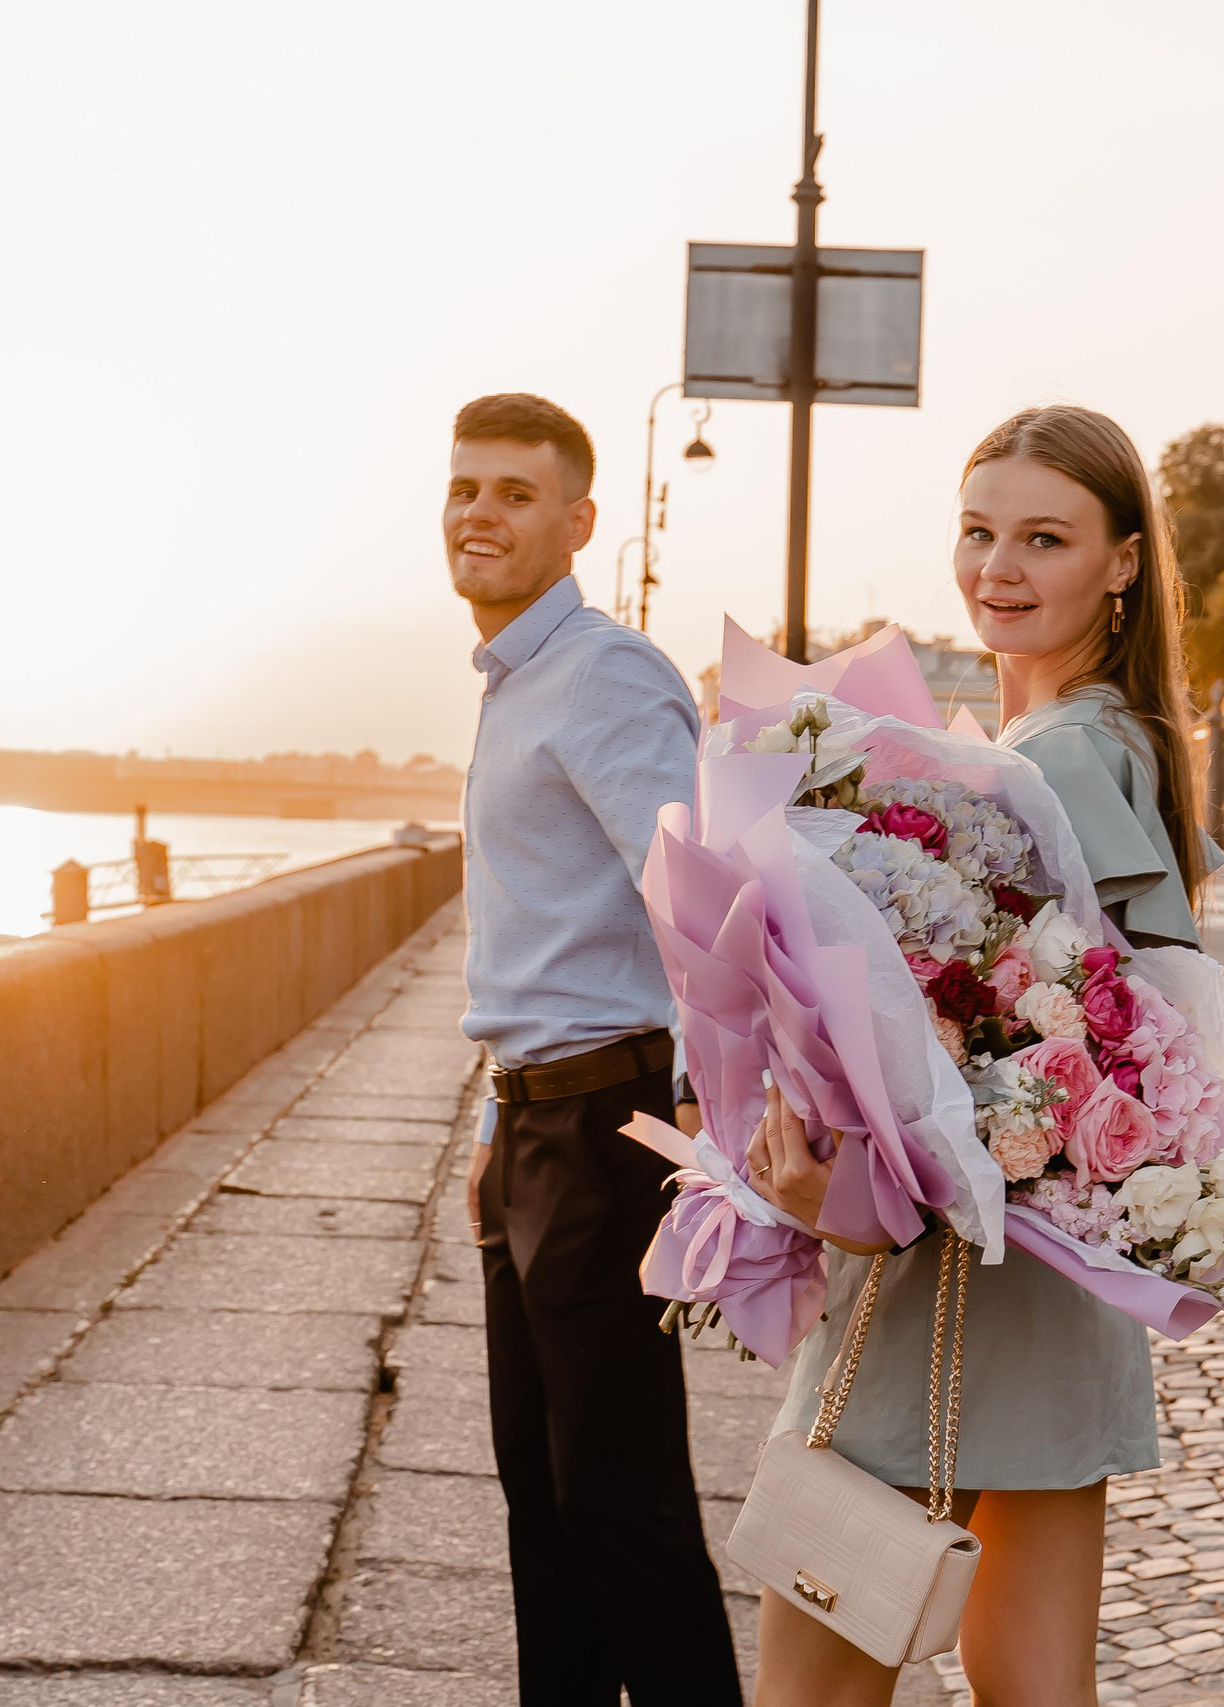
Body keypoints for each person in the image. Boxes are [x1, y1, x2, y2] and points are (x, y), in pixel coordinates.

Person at [744, 404, 1221, 1706]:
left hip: (951, 1286)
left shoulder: (1052, 761)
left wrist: (838, 1193)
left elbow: (1027, 1068)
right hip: (1058, 1303)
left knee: (811, 1694)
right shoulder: (1114, 741)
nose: (998, 568)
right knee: (1037, 1694)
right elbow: (1116, 1050)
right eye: (978, 531)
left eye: (1045, 538)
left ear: (1122, 562)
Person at [446, 392, 740, 1705]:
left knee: (621, 1513)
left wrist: (712, 1135)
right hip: (533, 1130)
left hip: (604, 1134)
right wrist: (492, 1122)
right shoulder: (513, 681)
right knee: (544, 1505)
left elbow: (704, 906)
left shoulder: (603, 672)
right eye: (464, 489)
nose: (479, 515)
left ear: (578, 522)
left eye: (514, 494)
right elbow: (542, 938)